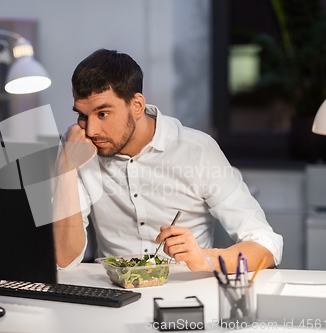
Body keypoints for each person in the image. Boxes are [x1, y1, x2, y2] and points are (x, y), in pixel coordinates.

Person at [52, 49, 283, 273]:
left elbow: (267, 245)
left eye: (103, 114)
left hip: (188, 296)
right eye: (82, 115)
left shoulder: (198, 150)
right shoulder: (75, 146)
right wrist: (65, 169)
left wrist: (204, 257)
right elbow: (64, 260)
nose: (91, 129)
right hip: (114, 295)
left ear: (137, 106)